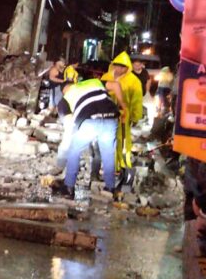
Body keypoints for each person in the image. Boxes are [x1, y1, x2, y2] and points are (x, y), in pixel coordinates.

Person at [58, 77, 126, 200]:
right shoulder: (94, 82)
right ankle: (110, 187)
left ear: (63, 91)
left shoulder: (64, 99)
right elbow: (116, 85)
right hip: (111, 117)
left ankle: (69, 187)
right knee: (108, 154)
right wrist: (123, 106)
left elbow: (69, 125)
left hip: (89, 121)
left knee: (74, 151)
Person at [101, 51, 143, 186]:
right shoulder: (106, 77)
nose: (119, 69)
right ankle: (111, 168)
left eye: (122, 66)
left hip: (123, 117)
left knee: (123, 143)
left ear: (127, 67)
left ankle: (124, 168)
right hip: (106, 117)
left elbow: (137, 101)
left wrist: (135, 117)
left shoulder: (134, 81)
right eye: (117, 65)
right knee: (108, 142)